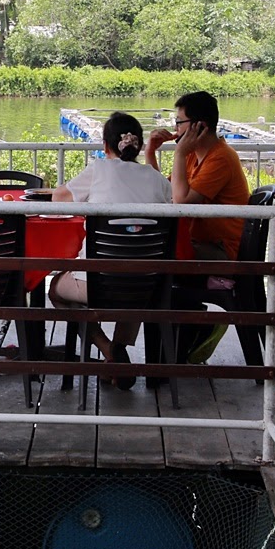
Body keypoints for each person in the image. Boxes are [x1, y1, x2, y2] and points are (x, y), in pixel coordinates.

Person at [47, 112, 171, 389]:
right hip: (148, 285)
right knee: (133, 280)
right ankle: (118, 350)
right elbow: (169, 199)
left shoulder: (99, 170)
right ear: (138, 146)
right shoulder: (155, 178)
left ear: (105, 146)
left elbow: (59, 199)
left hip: (98, 285)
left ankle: (107, 349)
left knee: (55, 290)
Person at [145, 90, 251, 364]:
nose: (175, 128)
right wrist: (150, 152)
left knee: (155, 264)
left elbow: (182, 204)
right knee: (154, 262)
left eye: (179, 122)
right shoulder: (195, 155)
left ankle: (177, 347)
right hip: (199, 245)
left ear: (199, 126)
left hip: (219, 252)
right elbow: (166, 194)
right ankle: (176, 345)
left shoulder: (220, 158)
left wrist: (178, 153)